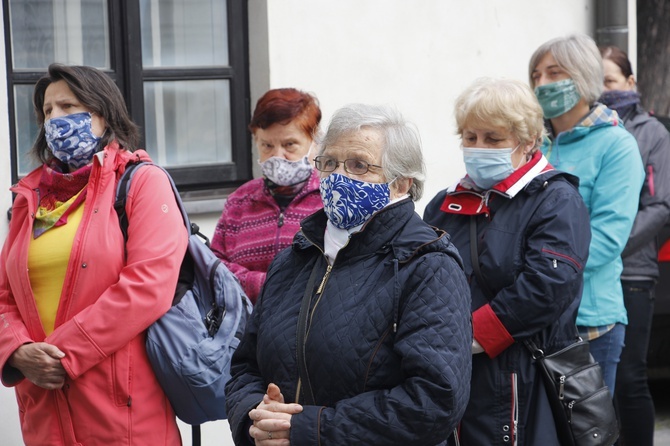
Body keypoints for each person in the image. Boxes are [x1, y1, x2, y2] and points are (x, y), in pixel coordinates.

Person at [225, 103, 472, 445]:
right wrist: (256, 417)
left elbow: (433, 400)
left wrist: (311, 429)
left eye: (358, 165)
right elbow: (245, 368)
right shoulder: (294, 259)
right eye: (329, 163)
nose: (339, 177)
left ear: (401, 184)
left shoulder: (427, 265)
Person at [0, 64, 188, 445]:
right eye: (48, 111)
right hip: (44, 411)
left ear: (104, 114)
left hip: (123, 412)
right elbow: (4, 295)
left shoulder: (141, 182)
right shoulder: (28, 198)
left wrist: (61, 356)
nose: (55, 119)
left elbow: (148, 285)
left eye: (68, 106)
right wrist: (16, 351)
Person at [423, 78, 591, 445]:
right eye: (470, 137)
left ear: (528, 140)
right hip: (450, 369)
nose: (478, 148)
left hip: (522, 375)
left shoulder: (556, 200)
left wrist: (468, 335)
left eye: (493, 139)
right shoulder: (443, 203)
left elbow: (547, 288)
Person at [529, 34, 645, 393]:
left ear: (582, 76)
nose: (541, 84)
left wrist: (538, 279)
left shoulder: (617, 146)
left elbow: (608, 239)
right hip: (530, 316)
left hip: (589, 321)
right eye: (535, 75)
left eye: (554, 72)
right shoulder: (532, 144)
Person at [600, 45, 670, 446]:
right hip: (589, 275)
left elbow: (659, 206)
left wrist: (611, 245)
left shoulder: (652, 133)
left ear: (630, 83)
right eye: (597, 83)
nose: (603, 90)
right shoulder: (585, 131)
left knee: (629, 377)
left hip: (632, 272)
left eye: (610, 81)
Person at [211, 88, 323, 304]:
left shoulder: (330, 200)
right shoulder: (239, 201)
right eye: (267, 145)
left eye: (289, 144)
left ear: (314, 143)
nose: (277, 156)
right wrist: (268, 284)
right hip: (245, 330)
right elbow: (215, 266)